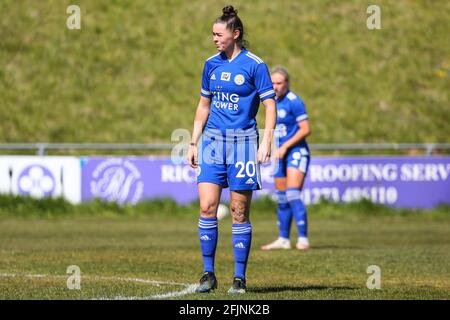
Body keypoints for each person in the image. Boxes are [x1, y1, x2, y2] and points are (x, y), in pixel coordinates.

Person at [187, 5, 276, 294]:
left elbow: (269, 105)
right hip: (213, 142)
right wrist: (193, 142)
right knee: (207, 207)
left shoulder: (255, 65)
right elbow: (204, 105)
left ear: (235, 34)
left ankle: (239, 278)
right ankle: (208, 273)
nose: (214, 39)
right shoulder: (210, 64)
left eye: (219, 34)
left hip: (243, 143)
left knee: (239, 210)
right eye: (212, 34)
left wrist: (266, 140)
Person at [261, 66, 312, 251]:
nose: (275, 86)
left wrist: (285, 146)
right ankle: (283, 239)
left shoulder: (294, 101)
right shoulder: (270, 102)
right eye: (272, 83)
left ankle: (303, 238)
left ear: (287, 84)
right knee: (282, 198)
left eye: (279, 83)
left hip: (296, 152)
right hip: (279, 154)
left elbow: (306, 129)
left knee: (292, 194)